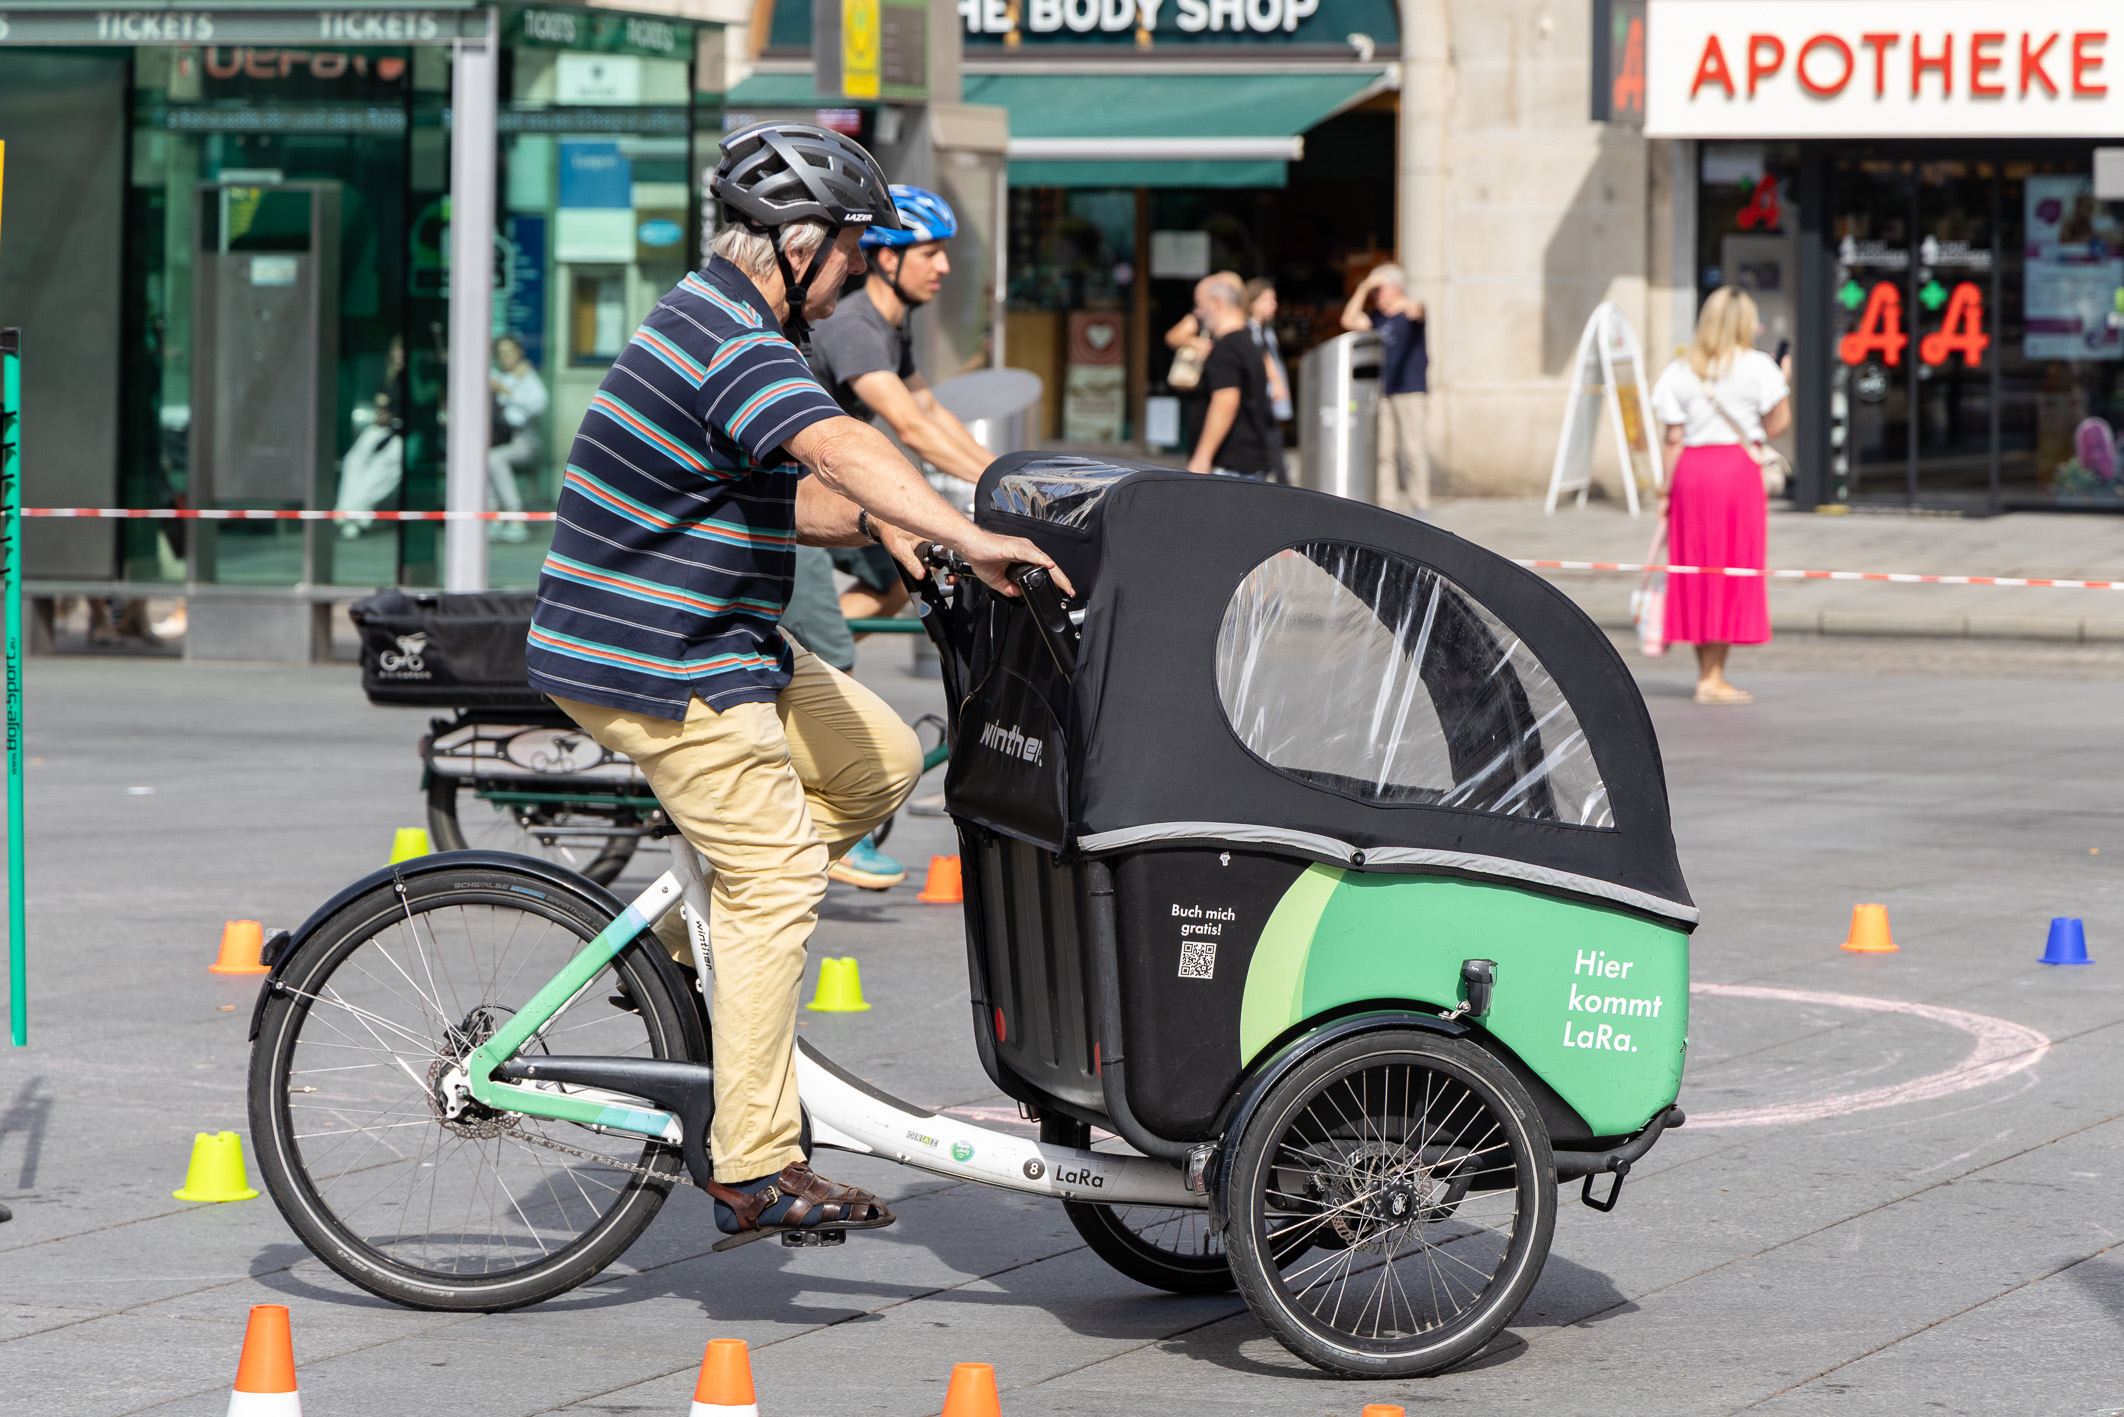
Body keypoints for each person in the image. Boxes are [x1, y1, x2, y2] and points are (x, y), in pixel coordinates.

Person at [525, 121, 1071, 1247]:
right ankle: (755, 1162)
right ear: (798, 242)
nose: (860, 272)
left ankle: (675, 961)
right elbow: (832, 445)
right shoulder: (731, 337)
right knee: (775, 879)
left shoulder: (731, 318)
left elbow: (799, 497)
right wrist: (960, 530)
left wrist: (888, 525)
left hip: (717, 634)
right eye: (854, 249)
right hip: (655, 651)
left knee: (877, 761)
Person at [803, 184, 993, 890]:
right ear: (883, 259)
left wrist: (1004, 474)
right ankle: (833, 827)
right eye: (930, 253)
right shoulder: (854, 325)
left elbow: (929, 410)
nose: (942, 267)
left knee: (892, 586)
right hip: (797, 500)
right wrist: (990, 491)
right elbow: (909, 430)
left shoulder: (893, 327)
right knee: (828, 644)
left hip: (836, 491)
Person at [1650, 286, 1790, 705]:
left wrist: (1665, 491)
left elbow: (1672, 438)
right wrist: (1785, 380)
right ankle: (1714, 676)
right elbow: (1776, 426)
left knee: (1694, 567)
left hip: (1693, 472)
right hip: (1736, 475)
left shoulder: (1680, 370)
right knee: (1732, 567)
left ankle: (1705, 672)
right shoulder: (1758, 367)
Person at [1340, 263, 1430, 515]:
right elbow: (1348, 319)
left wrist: (1406, 302)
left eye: (1379, 290)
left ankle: (1421, 504)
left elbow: (1417, 310)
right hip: (1384, 391)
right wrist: (1364, 286)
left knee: (1413, 449)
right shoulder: (1377, 318)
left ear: (1394, 288)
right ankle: (1387, 506)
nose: (1375, 296)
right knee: (1384, 453)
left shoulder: (1410, 311)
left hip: (1410, 389)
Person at [1184, 272, 1280, 479]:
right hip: (1247, 466)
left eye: (1200, 305)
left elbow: (1225, 402)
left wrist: (1202, 457)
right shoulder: (1247, 341)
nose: (1198, 313)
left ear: (1217, 303)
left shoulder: (1227, 348)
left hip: (1228, 469)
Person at [487, 336, 548, 543]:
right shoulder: (497, 376)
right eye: (501, 354)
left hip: (522, 439)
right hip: (497, 439)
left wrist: (506, 390)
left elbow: (538, 404)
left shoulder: (528, 378)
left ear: (518, 353)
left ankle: (515, 518)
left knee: (494, 459)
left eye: (509, 352)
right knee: (485, 459)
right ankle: (494, 516)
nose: (505, 357)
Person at [1244, 277, 1293, 429]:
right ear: (1252, 303)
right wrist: (1276, 384)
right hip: (1260, 399)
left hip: (1270, 400)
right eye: (1267, 300)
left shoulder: (1266, 330)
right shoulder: (1248, 330)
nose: (1274, 305)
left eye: (1274, 300)